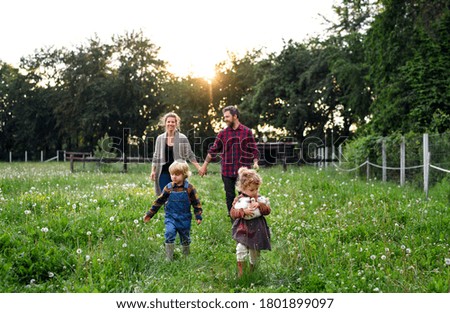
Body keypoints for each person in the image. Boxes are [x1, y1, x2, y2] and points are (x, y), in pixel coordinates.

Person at [199, 106, 259, 218]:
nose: (225, 119)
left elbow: (254, 149)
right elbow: (213, 150)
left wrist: (255, 161)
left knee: (245, 195)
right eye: (224, 117)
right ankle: (234, 219)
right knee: (230, 196)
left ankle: (247, 217)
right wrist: (204, 165)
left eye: (227, 116)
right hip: (227, 171)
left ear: (235, 116)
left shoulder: (247, 132)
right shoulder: (223, 133)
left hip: (244, 172)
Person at [143, 160, 202, 261]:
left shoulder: (189, 188)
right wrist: (150, 214)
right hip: (171, 217)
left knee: (185, 238)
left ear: (184, 175)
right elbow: (159, 201)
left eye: (177, 174)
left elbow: (196, 203)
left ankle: (186, 257)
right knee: (169, 233)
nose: (174, 177)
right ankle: (169, 258)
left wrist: (198, 216)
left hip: (184, 218)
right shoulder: (168, 188)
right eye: (172, 174)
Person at [230, 167, 271, 277]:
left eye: (257, 189)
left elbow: (267, 211)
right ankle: (241, 274)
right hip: (243, 228)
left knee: (254, 252)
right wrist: (243, 212)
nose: (255, 192)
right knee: (241, 249)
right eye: (252, 190)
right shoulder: (238, 200)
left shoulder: (260, 199)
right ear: (242, 189)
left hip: (257, 229)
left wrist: (260, 205)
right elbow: (233, 213)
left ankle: (253, 272)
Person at [151, 112, 201, 196]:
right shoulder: (160, 138)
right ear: (165, 123)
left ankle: (180, 209)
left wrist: (198, 167)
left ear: (176, 123)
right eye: (168, 121)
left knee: (180, 194)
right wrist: (153, 171)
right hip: (163, 172)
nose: (170, 124)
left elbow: (190, 154)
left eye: (173, 122)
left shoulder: (182, 138)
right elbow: (156, 156)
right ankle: (167, 209)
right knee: (164, 196)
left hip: (179, 172)